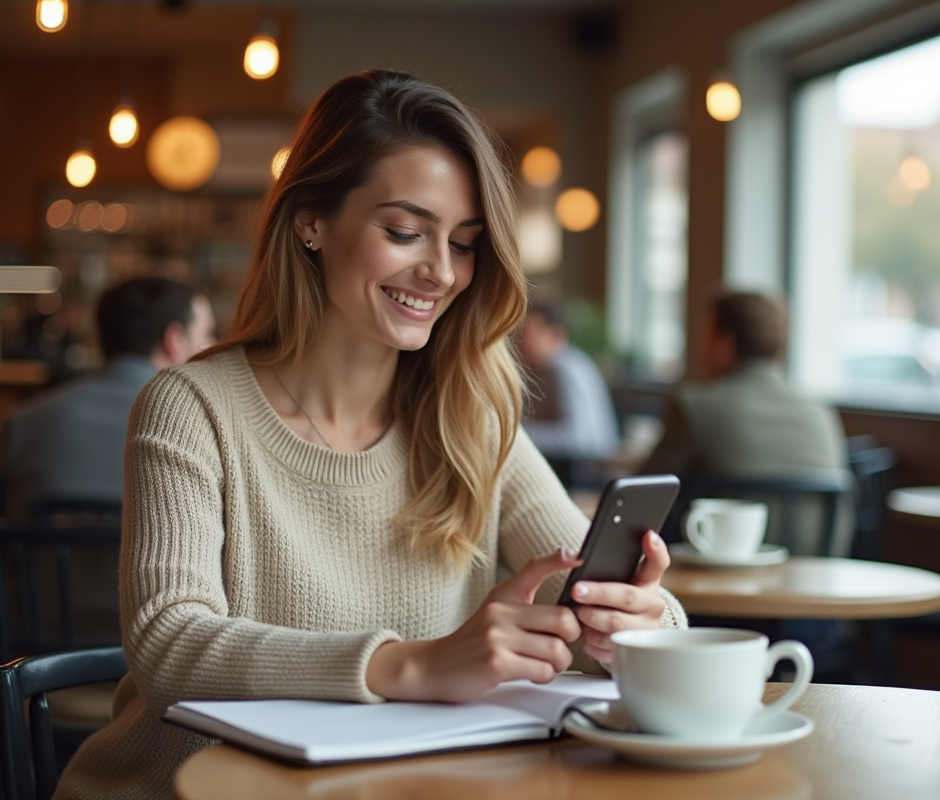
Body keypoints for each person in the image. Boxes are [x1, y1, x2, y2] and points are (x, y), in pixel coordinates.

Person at [55, 70, 685, 800]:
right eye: (405, 232)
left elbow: (600, 597)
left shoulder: (471, 419)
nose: (442, 272)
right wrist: (415, 664)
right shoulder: (192, 407)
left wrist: (635, 628)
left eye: (465, 243)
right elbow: (168, 644)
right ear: (311, 221)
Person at [0, 277, 215, 737]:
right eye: (207, 335)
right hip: (156, 673)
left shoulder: (26, 421)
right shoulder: (204, 432)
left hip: (30, 671)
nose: (212, 347)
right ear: (174, 340)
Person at [642, 290, 850, 554]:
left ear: (725, 345)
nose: (698, 349)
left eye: (703, 338)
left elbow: (643, 491)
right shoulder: (821, 412)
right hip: (815, 568)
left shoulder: (697, 407)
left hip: (722, 568)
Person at [515, 297, 620, 486]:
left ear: (555, 335)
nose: (519, 341)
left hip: (583, 476)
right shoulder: (575, 361)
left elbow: (576, 437)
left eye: (527, 333)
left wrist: (515, 433)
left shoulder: (560, 367)